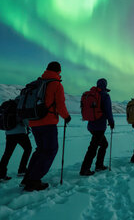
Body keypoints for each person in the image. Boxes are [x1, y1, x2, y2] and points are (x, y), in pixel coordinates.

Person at [22, 61, 71, 192]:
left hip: (34, 121)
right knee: (50, 150)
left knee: (40, 150)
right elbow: (60, 105)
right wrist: (66, 116)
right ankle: (34, 180)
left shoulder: (37, 83)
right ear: (59, 71)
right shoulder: (56, 84)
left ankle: (28, 177)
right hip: (48, 122)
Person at [80, 78, 115, 176]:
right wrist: (111, 122)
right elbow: (108, 111)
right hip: (99, 127)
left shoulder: (92, 94)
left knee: (103, 144)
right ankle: (85, 169)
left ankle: (98, 165)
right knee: (93, 148)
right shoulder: (105, 96)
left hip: (91, 126)